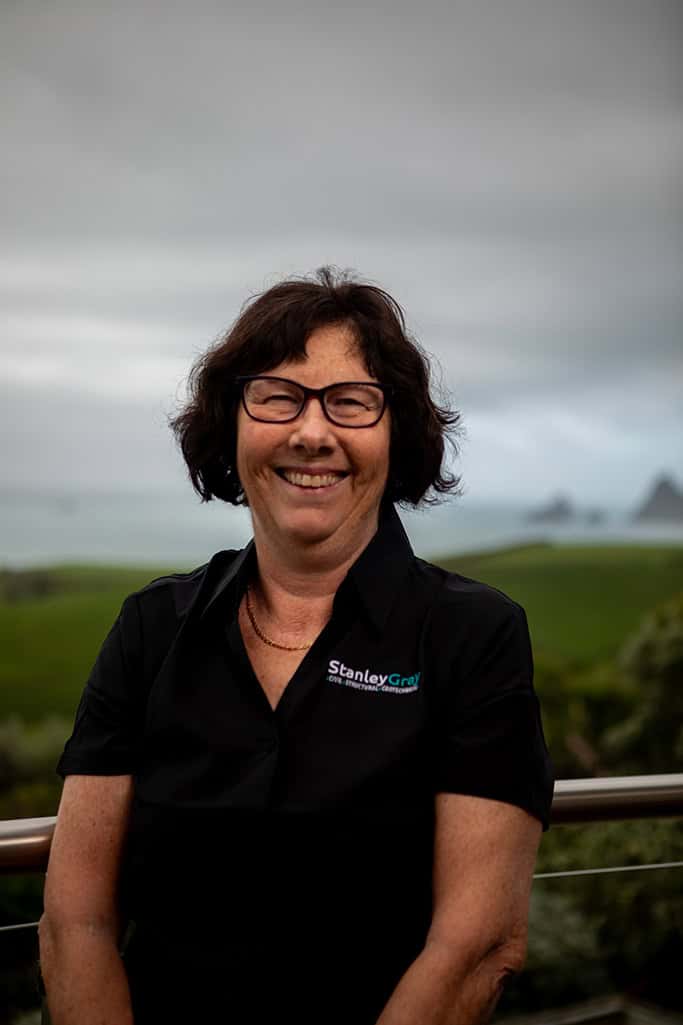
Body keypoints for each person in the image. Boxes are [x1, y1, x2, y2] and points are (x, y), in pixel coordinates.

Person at [39, 267, 554, 1025]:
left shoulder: (473, 636)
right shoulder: (150, 627)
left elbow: (474, 944)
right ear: (232, 427)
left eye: (350, 402)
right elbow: (73, 922)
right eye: (277, 396)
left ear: (396, 434)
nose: (311, 432)